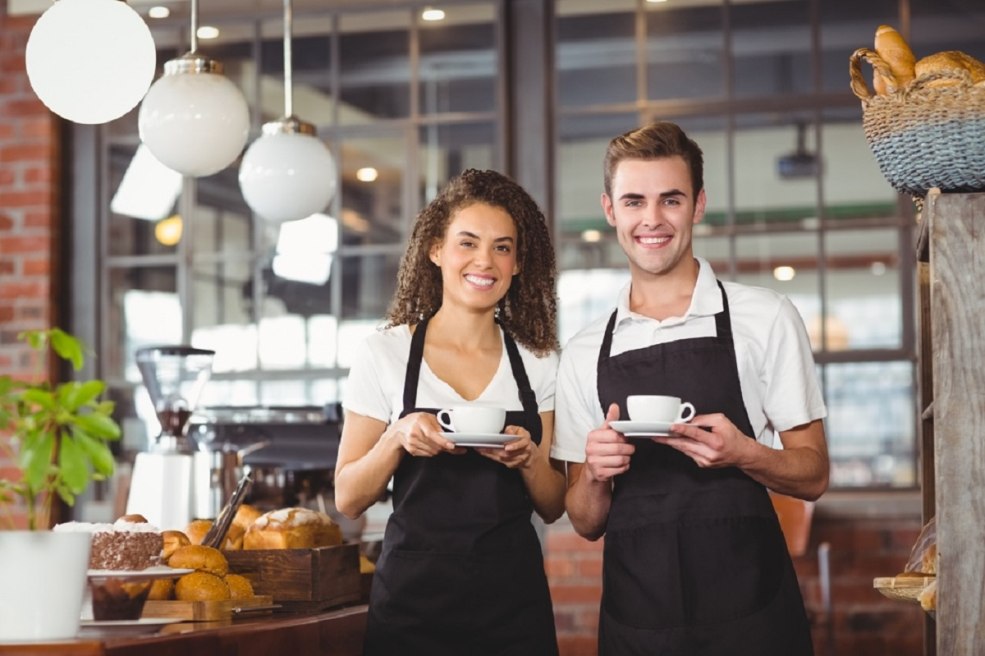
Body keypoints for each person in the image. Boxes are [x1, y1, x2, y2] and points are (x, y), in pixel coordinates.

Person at [553, 121, 830, 655]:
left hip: (753, 618)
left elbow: (814, 474)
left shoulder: (765, 317)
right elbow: (585, 521)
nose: (652, 220)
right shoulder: (585, 351)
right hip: (639, 623)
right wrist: (594, 472)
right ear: (610, 210)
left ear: (698, 205)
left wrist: (745, 453)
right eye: (634, 201)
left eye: (670, 200)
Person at [334, 168, 565, 656]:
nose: (485, 260)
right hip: (412, 609)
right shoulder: (386, 353)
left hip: (513, 607)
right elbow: (349, 497)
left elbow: (553, 503)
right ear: (436, 250)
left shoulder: (539, 361)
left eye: (503, 247)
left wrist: (528, 459)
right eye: (468, 242)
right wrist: (395, 438)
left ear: (518, 263)